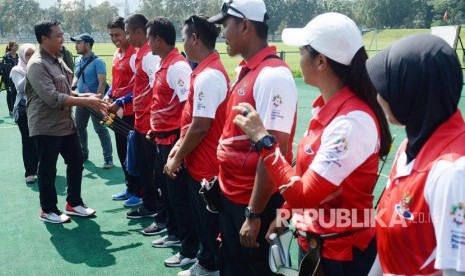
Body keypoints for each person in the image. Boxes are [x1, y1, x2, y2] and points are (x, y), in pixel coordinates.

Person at [232, 12, 392, 275]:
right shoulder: (328, 109)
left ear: (320, 61)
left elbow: (305, 196)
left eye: (302, 51)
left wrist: (264, 141)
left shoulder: (351, 122)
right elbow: (306, 177)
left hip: (341, 257)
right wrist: (284, 214)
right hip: (320, 246)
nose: (298, 56)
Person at [208, 1, 298, 275]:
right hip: (236, 200)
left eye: (226, 25)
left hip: (256, 205)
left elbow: (274, 150)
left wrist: (254, 214)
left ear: (245, 25)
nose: (223, 33)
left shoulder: (273, 76)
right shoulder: (249, 70)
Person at [366, 34, 465, 275]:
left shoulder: (452, 173)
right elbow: (390, 235)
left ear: (411, 93)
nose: (378, 96)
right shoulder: (409, 147)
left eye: (387, 88)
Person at [164, 15, 229, 276]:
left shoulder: (209, 75)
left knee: (208, 221)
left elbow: (201, 126)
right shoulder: (203, 70)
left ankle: (208, 265)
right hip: (199, 160)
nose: (182, 41)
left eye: (183, 36)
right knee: (202, 219)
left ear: (194, 38)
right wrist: (179, 146)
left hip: (207, 164)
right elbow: (193, 122)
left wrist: (177, 155)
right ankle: (206, 261)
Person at [26, 19, 107, 223]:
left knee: (76, 160)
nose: (63, 39)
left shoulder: (58, 58)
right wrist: (85, 101)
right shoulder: (37, 64)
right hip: (46, 126)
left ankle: (74, 203)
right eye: (58, 36)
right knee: (47, 169)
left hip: (64, 124)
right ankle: (48, 209)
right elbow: (54, 98)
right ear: (44, 38)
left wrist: (87, 97)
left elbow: (66, 91)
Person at [144, 16, 197, 268]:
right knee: (168, 192)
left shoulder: (178, 66)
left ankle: (189, 247)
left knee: (179, 196)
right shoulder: (165, 63)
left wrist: (178, 143)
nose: (148, 44)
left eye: (149, 38)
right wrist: (156, 130)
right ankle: (175, 234)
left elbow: (189, 108)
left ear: (158, 39)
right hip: (163, 138)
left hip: (175, 140)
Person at [123, 14, 166, 229]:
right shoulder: (139, 55)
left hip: (150, 124)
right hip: (141, 122)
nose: (126, 37)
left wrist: (153, 124)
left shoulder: (149, 57)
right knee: (145, 166)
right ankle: (150, 203)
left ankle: (153, 206)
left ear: (139, 32)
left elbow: (155, 90)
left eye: (128, 33)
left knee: (152, 170)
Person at [104, 16, 141, 206]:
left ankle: (139, 192)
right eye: (111, 35)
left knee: (134, 153)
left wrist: (120, 100)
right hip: (117, 112)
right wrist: (107, 94)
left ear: (127, 33)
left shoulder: (135, 55)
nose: (114, 38)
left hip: (131, 113)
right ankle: (130, 188)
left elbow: (140, 88)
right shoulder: (117, 54)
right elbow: (115, 83)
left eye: (117, 34)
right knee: (122, 152)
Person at [71, 33, 114, 169]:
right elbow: (77, 76)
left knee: (100, 129)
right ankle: (84, 154)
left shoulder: (98, 62)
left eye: (79, 42)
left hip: (95, 101)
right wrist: (72, 86)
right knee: (79, 127)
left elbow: (101, 83)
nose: (76, 45)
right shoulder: (78, 60)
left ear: (87, 45)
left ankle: (108, 158)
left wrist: (98, 101)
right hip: (82, 101)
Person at [11, 43, 38, 185]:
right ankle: (30, 172)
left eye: (33, 53)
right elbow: (20, 88)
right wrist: (29, 70)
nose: (31, 56)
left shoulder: (40, 67)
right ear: (22, 56)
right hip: (24, 110)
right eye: (27, 54)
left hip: (39, 110)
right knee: (28, 141)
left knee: (40, 140)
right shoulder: (17, 70)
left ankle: (40, 167)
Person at [2, 40, 19, 116]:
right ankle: (11, 110)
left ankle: (15, 108)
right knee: (10, 93)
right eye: (15, 45)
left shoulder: (18, 56)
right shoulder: (6, 56)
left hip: (17, 78)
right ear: (11, 47)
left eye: (17, 45)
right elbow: (3, 68)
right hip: (8, 78)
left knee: (16, 93)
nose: (17, 46)